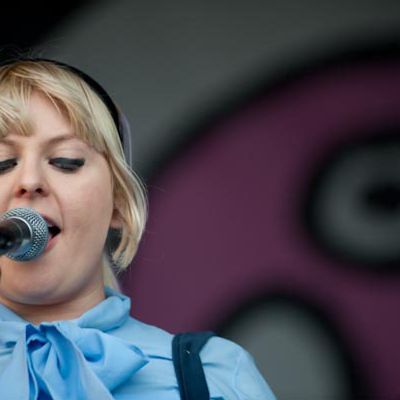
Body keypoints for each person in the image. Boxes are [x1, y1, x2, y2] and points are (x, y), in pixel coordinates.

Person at [0, 58, 276, 399]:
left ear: (117, 201)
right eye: (2, 162)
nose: (29, 181)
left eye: (66, 161)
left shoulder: (214, 375)